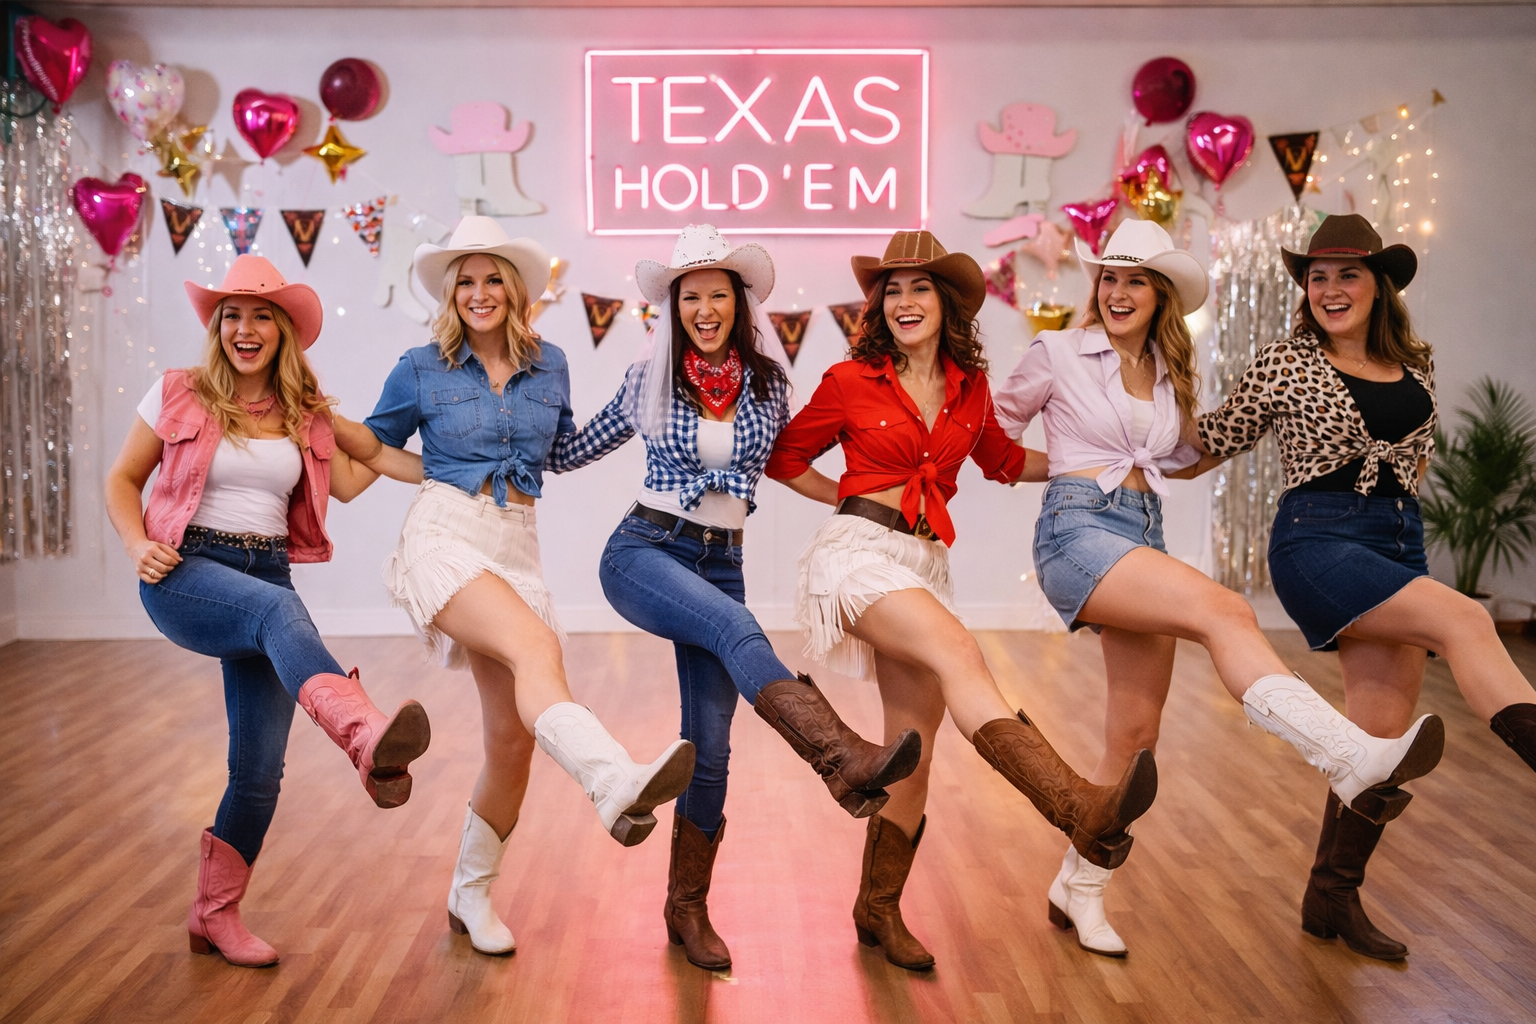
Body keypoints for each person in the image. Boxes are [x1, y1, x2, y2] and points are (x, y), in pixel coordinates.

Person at [994, 219, 1445, 959]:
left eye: (1135, 279)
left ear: (1161, 293)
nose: (1117, 291)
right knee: (1225, 610)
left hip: (1142, 533)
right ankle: (1344, 753)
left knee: (1136, 739)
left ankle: (1079, 886)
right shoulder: (1059, 352)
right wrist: (1070, 469)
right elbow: (990, 433)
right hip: (1077, 532)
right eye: (1109, 277)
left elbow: (1182, 455)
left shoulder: (1171, 372)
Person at [765, 230, 1153, 971]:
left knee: (915, 752)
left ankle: (877, 911)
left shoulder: (970, 391)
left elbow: (1003, 462)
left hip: (925, 563)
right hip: (856, 558)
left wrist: (1098, 465)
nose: (905, 301)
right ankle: (1076, 807)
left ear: (948, 305)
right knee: (959, 651)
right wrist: (849, 503)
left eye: (921, 288)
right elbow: (787, 459)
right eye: (894, 289)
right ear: (880, 304)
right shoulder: (850, 379)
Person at [547, 224, 921, 971]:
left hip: (724, 558)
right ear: (676, 306)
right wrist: (538, 373)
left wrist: (871, 494)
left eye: (719, 293)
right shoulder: (645, 379)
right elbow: (566, 452)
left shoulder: (768, 386)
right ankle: (840, 754)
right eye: (692, 295)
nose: (705, 307)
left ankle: (687, 908)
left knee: (710, 747)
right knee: (736, 630)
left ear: (739, 303)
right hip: (645, 551)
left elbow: (798, 456)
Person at [331, 217, 695, 958]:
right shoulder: (420, 365)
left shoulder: (551, 362)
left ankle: (470, 892)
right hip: (444, 533)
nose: (479, 291)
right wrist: (310, 421)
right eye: (464, 280)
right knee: (534, 646)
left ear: (517, 289)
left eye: (492, 277)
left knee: (512, 741)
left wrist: (632, 407)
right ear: (450, 293)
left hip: (517, 544)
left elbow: (560, 452)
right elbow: (372, 449)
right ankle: (612, 781)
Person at [1187, 213, 1536, 959]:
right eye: (1317, 276)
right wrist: (1109, 452)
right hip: (1317, 538)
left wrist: (1399, 520)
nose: (1330, 288)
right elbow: (1210, 441)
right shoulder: (1285, 361)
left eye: (1347, 274)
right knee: (1468, 620)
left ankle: (1331, 896)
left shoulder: (1416, 364)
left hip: (1398, 540)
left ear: (1380, 285)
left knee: (1378, 739)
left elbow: (1417, 460)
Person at [104, 256, 432, 968]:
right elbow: (123, 478)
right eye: (232, 315)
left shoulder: (305, 415)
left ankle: (212, 914)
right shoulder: (176, 392)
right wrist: (136, 545)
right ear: (217, 326)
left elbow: (355, 474)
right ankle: (363, 736)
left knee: (258, 772)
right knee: (280, 616)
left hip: (267, 573)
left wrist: (427, 449)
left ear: (283, 331)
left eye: (260, 316)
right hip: (186, 570)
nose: (244, 329)